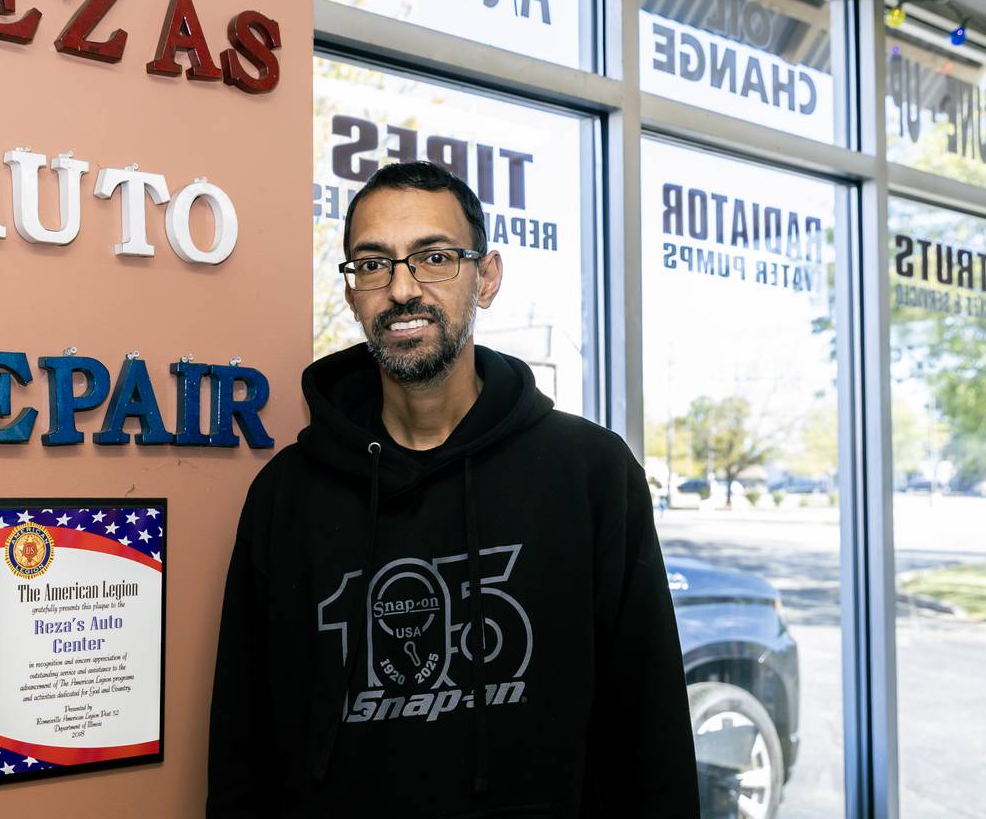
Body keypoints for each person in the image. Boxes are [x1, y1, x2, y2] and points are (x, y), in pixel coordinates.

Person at [207, 160, 699, 817]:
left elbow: (651, 737)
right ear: (353, 293)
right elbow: (244, 751)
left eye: (433, 257)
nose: (403, 288)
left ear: (486, 277)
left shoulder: (591, 475)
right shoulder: (285, 497)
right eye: (373, 264)